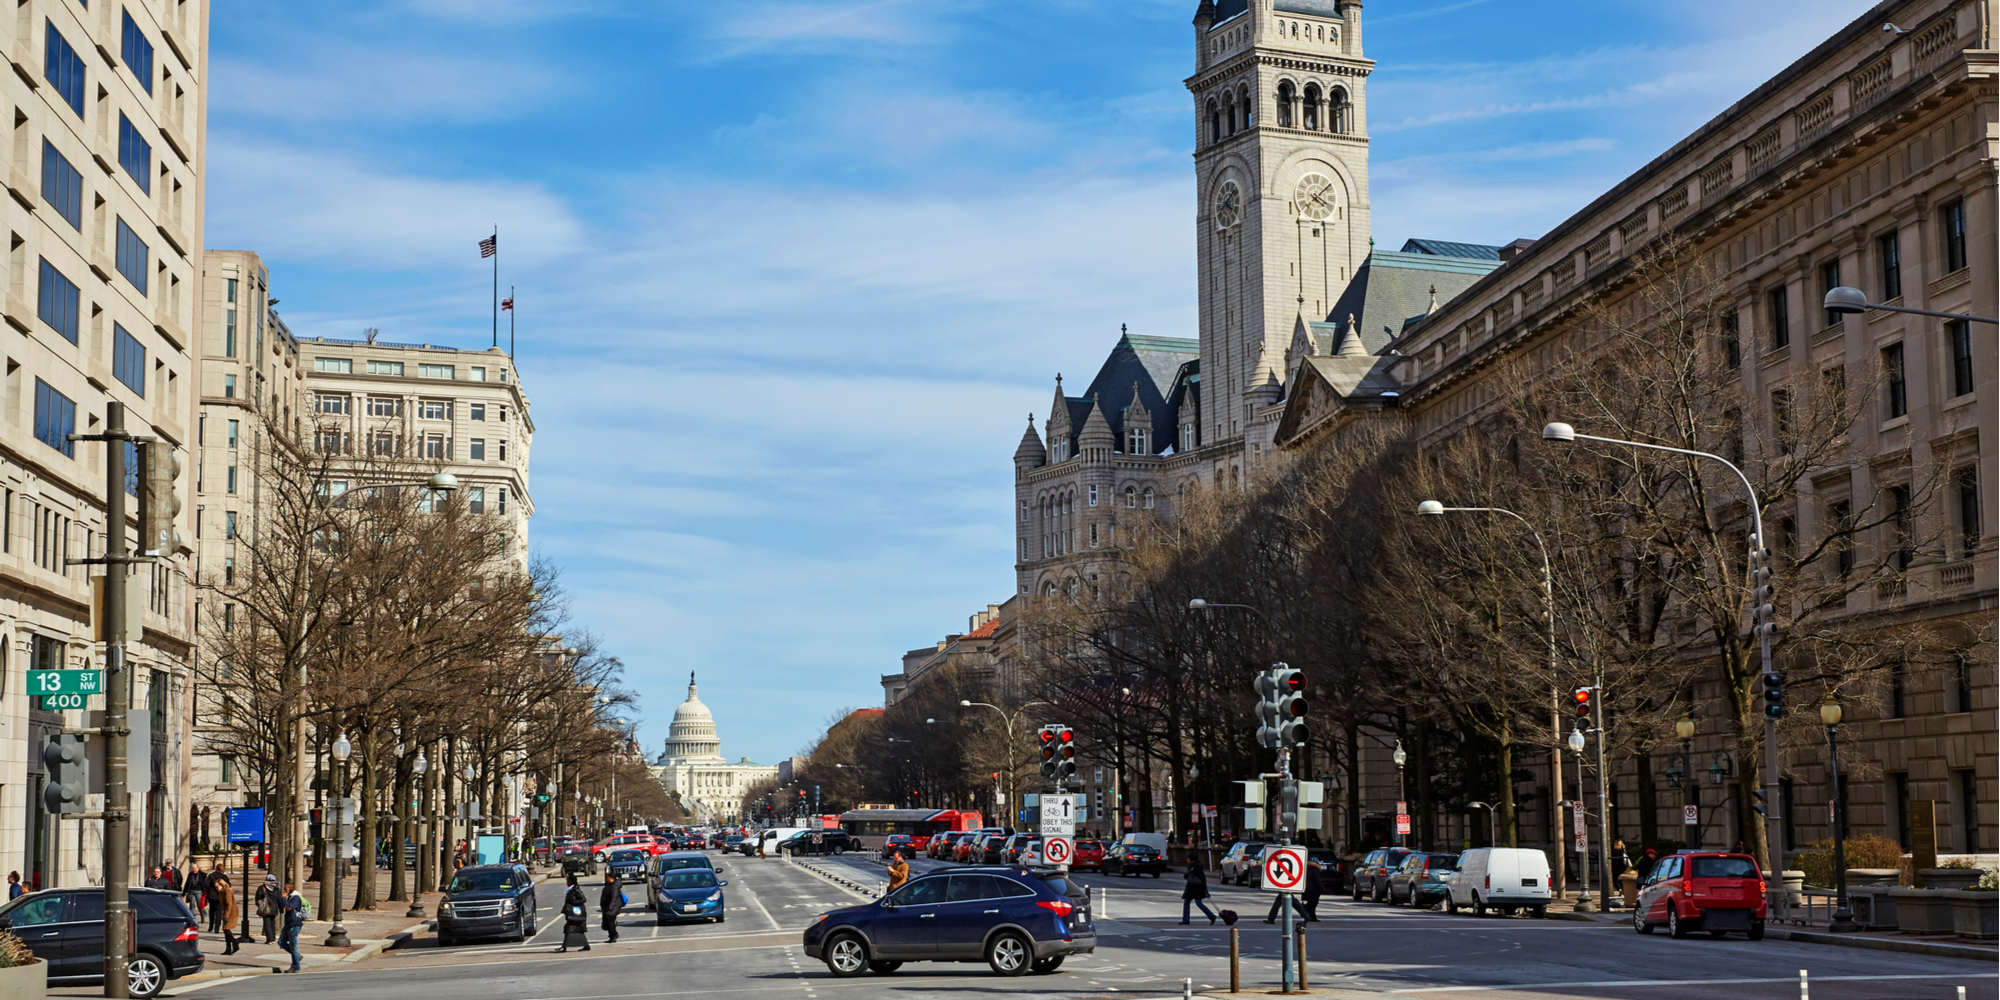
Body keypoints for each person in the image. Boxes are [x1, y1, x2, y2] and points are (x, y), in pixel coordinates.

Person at [557, 875, 590, 953]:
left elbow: (583, 899)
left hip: (575, 914)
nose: (566, 883)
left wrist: (573, 903)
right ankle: (586, 945)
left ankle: (564, 947)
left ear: (571, 881)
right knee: (578, 929)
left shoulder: (576, 890)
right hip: (572, 913)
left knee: (569, 929)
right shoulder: (570, 890)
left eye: (568, 881)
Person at [277, 881, 304, 973]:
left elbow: (289, 908)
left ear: (291, 889)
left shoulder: (296, 898)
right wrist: (283, 900)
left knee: (293, 946)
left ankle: (295, 966)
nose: (284, 891)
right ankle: (297, 956)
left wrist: (284, 899)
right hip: (288, 924)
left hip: (294, 924)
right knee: (281, 941)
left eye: (286, 889)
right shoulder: (289, 898)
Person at [214, 874, 241, 956]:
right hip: (226, 912)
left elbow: (229, 904)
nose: (216, 889)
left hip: (231, 912)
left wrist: (226, 916)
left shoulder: (227, 891)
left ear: (221, 885)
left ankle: (235, 943)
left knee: (226, 929)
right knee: (226, 931)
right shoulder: (221, 892)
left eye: (217, 887)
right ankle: (228, 949)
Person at [599, 872, 625, 944]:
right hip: (607, 906)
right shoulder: (609, 885)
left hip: (613, 906)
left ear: (612, 878)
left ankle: (614, 935)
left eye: (608, 878)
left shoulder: (614, 886)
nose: (606, 879)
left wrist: (610, 906)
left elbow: (614, 897)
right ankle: (612, 935)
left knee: (609, 919)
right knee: (608, 921)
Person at [255, 874, 281, 943]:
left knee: (267, 924)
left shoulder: (262, 888)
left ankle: (269, 938)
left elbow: (258, 897)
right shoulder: (276, 888)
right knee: (272, 923)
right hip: (274, 908)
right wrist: (281, 908)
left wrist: (260, 905)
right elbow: (279, 899)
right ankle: (273, 937)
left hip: (266, 908)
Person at [206, 868, 229, 933]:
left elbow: (206, 884)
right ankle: (217, 928)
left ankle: (210, 927)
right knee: (219, 912)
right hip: (220, 896)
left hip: (212, 896)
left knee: (212, 912)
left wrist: (211, 889)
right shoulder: (224, 877)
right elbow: (228, 885)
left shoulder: (211, 875)